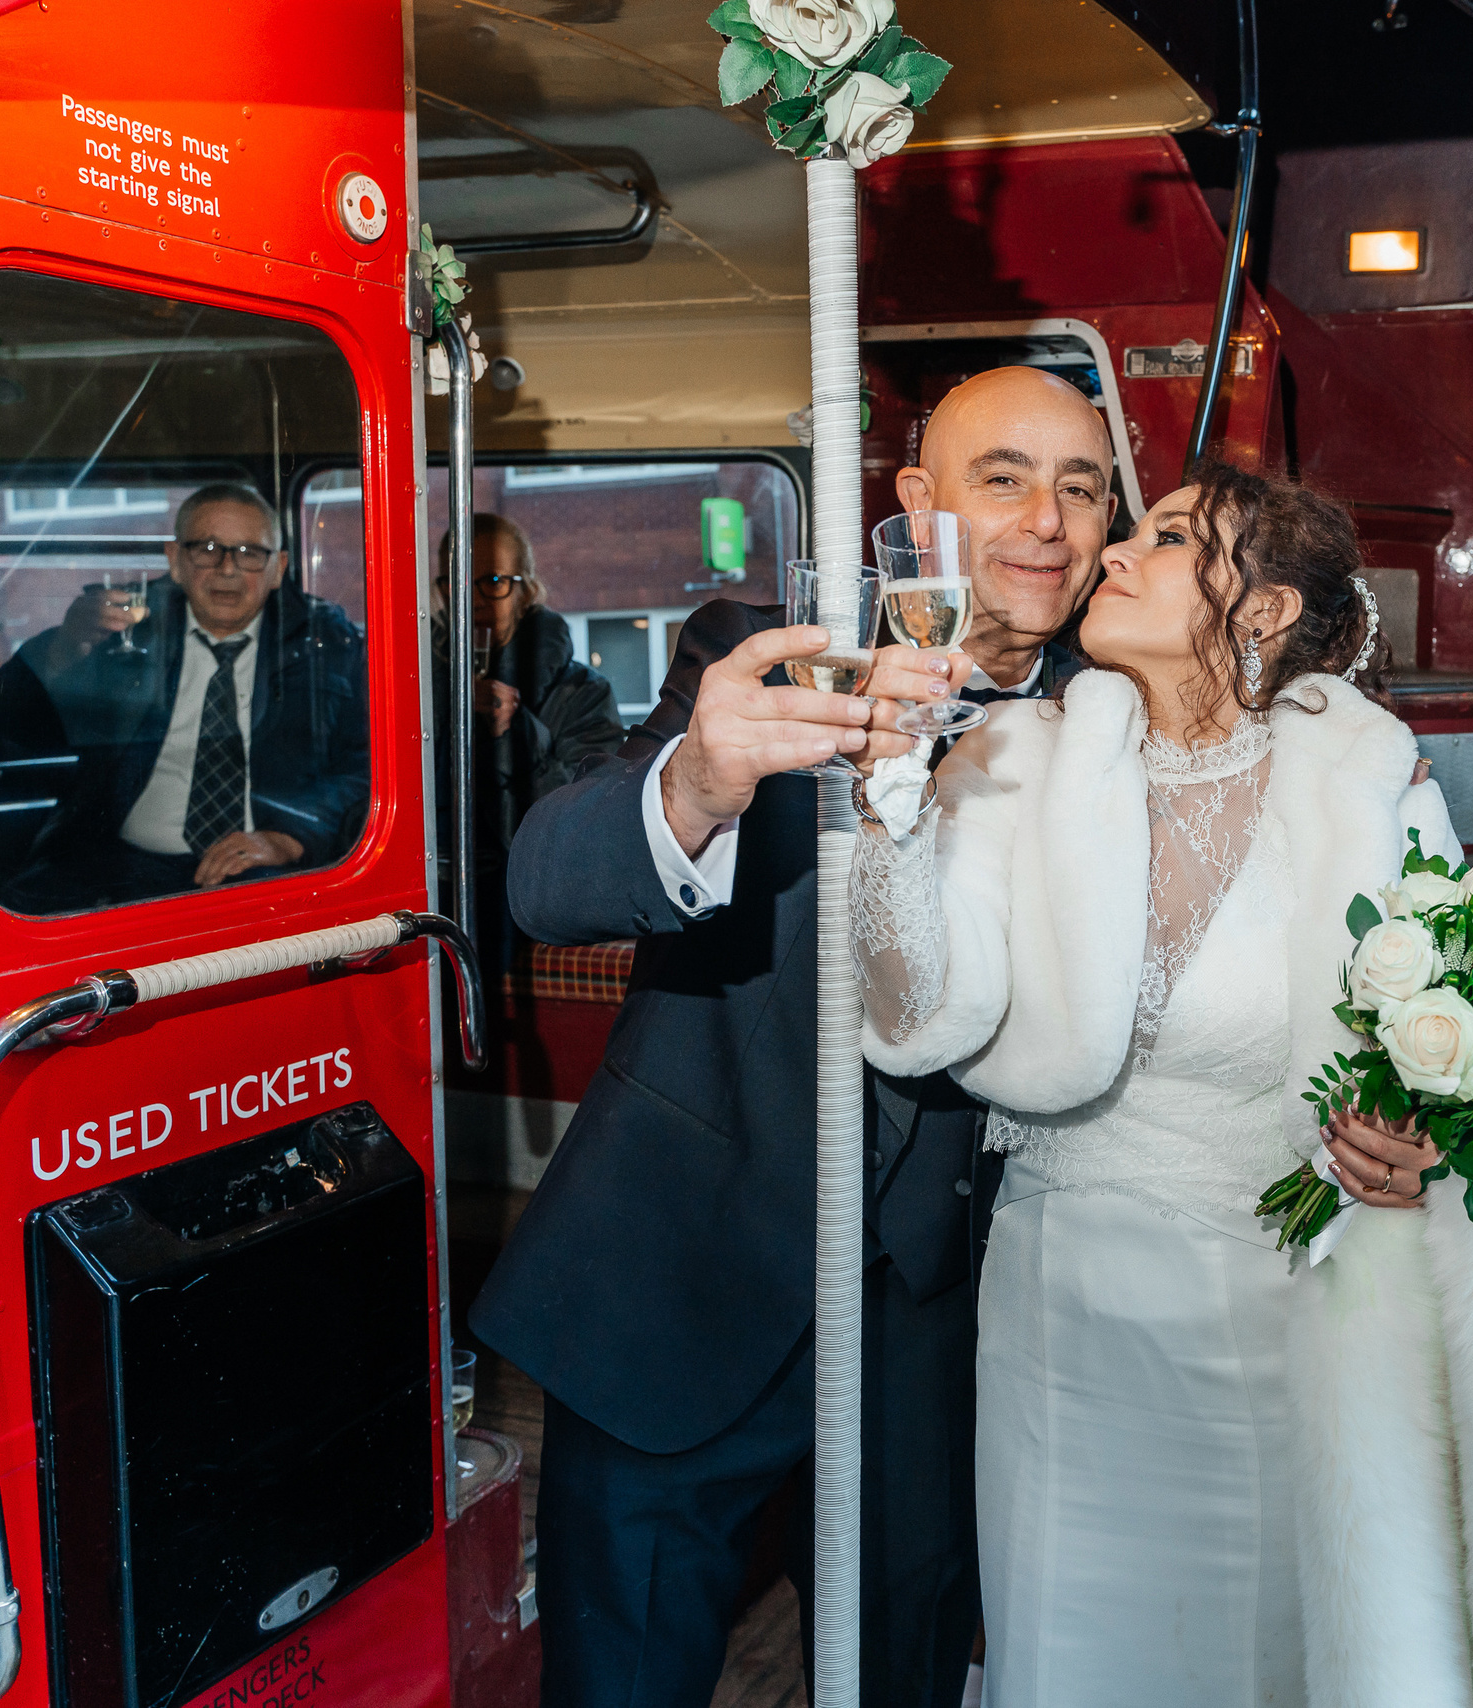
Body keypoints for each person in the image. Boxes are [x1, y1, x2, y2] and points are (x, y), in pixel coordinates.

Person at [851, 461, 1473, 1707]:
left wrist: (1431, 1146)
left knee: (1265, 1656)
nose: (1113, 552)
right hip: (1064, 1330)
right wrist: (893, 813)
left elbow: (1464, 1032)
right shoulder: (1019, 751)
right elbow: (919, 1012)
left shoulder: (1370, 784)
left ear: (1265, 609)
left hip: (1282, 1328)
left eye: (1168, 540)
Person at [472, 366, 1119, 1708]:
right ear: (918, 502)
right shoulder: (757, 656)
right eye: (1005, 477)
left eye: (1083, 486)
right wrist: (701, 781)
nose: (1047, 522)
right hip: (680, 1271)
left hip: (941, 1314)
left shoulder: (1126, 718)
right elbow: (546, 884)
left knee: (906, 1663)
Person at [0, 483, 370, 912]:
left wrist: (292, 836)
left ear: (278, 568)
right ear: (176, 561)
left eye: (249, 553)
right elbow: (18, 727)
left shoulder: (328, 646)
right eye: (207, 549)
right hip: (116, 866)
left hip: (264, 871)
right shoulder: (120, 632)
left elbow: (364, 766)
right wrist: (63, 649)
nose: (228, 569)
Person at [434, 513, 625, 984]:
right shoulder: (415, 682)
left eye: (494, 582)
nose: (474, 600)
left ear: (526, 590)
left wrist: (515, 738)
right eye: (458, 582)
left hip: (523, 894)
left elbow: (587, 824)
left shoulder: (583, 693)